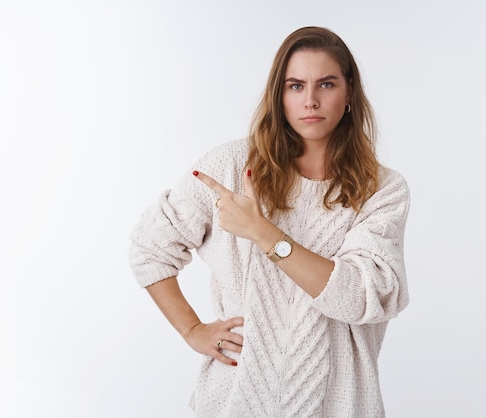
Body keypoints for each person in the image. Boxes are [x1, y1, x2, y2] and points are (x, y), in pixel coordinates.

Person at [129, 26, 409, 417]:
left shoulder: (380, 189)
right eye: (295, 86)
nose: (310, 100)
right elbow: (149, 249)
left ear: (349, 93)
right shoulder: (228, 166)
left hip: (339, 404)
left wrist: (264, 234)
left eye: (326, 84)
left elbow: (365, 297)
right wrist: (192, 330)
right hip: (236, 400)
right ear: (279, 95)